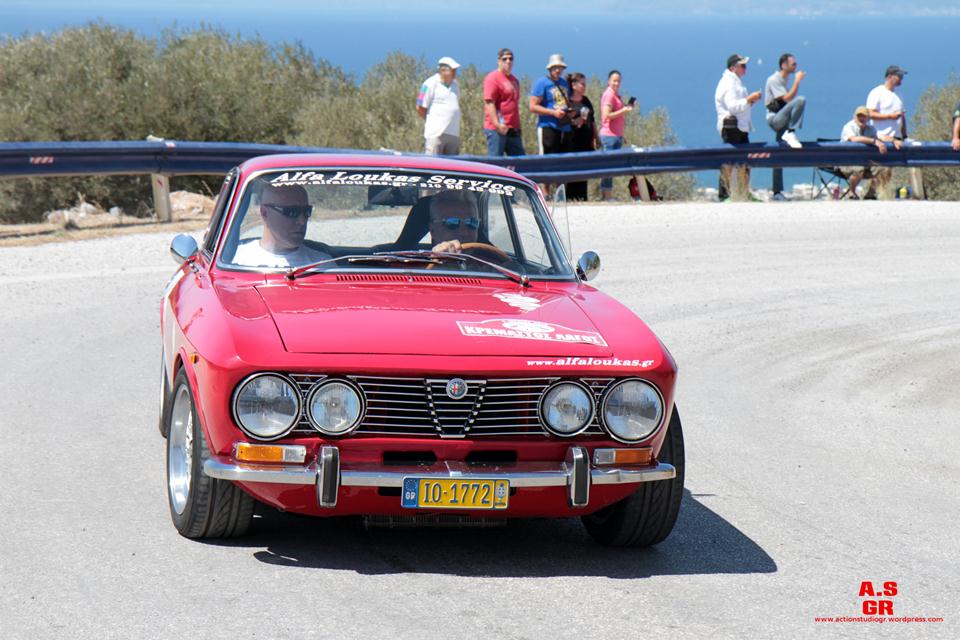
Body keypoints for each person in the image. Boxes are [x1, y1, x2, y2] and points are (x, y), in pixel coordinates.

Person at [232, 183, 331, 267]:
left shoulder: (323, 265)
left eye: (306, 211)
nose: (302, 221)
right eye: (292, 212)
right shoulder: (235, 260)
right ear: (264, 213)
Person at [715, 54, 762, 201]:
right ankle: (724, 195)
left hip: (740, 127)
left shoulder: (735, 82)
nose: (745, 69)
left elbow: (740, 106)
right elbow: (733, 107)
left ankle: (743, 193)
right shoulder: (729, 83)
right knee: (729, 162)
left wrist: (751, 101)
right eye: (743, 66)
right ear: (733, 68)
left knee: (745, 161)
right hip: (731, 127)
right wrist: (749, 99)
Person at [764, 53, 807, 200]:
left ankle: (777, 192)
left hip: (782, 117)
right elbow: (788, 99)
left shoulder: (785, 79)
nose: (796, 66)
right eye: (793, 64)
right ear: (783, 65)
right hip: (775, 119)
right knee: (801, 100)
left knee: (778, 154)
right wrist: (797, 80)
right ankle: (791, 131)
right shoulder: (774, 79)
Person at [840, 105, 896, 199]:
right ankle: (851, 193)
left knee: (885, 170)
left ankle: (870, 194)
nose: (861, 118)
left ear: (868, 118)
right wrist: (874, 141)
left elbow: (880, 136)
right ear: (854, 117)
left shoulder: (870, 129)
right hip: (846, 161)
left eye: (864, 116)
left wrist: (894, 141)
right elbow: (854, 139)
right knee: (858, 169)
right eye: (859, 116)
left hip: (865, 162)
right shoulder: (849, 127)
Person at [598, 70, 633, 201]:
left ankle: (607, 195)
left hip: (615, 136)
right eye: (614, 80)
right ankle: (607, 196)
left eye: (618, 81)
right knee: (608, 167)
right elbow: (606, 115)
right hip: (609, 136)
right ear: (609, 81)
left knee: (610, 167)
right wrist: (623, 110)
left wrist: (621, 135)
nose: (616, 83)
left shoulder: (615, 95)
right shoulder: (609, 95)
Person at [529, 54, 573, 156]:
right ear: (550, 68)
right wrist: (553, 113)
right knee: (548, 158)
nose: (558, 70)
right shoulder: (542, 83)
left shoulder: (564, 83)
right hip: (548, 127)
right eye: (555, 67)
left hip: (564, 128)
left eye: (560, 67)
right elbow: (533, 106)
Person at [483, 48, 524, 157]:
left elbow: (514, 104)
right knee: (496, 162)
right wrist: (497, 125)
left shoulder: (514, 80)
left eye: (510, 59)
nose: (508, 61)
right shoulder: (493, 78)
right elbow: (489, 103)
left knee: (520, 160)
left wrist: (518, 126)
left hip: (513, 128)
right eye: (504, 59)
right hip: (496, 129)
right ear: (499, 61)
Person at [417, 57, 462, 156]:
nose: (455, 73)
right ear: (443, 70)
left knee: (453, 163)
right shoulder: (429, 84)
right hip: (436, 133)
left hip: (453, 133)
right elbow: (420, 106)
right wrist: (432, 120)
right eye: (452, 70)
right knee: (434, 162)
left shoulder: (455, 85)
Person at [565, 72, 598, 201]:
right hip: (573, 141)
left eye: (585, 84)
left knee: (584, 171)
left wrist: (596, 137)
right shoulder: (568, 102)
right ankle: (570, 198)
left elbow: (593, 120)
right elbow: (565, 121)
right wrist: (577, 121)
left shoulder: (586, 100)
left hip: (586, 141)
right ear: (574, 85)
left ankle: (583, 198)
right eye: (582, 84)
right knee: (572, 171)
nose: (584, 87)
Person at [429, 190, 480, 254]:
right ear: (433, 231)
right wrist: (438, 257)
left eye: (471, 223)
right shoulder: (420, 260)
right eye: (452, 223)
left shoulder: (488, 259)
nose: (464, 233)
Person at [866, 65, 908, 142]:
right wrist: (890, 116)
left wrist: (904, 136)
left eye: (902, 76)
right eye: (899, 76)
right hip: (881, 138)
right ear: (889, 77)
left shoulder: (899, 93)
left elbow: (902, 117)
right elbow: (870, 114)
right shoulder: (877, 92)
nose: (901, 78)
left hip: (897, 138)